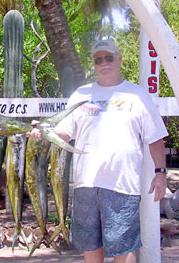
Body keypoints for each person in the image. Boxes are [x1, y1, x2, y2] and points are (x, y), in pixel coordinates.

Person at [30, 39, 168, 263]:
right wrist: (43, 131)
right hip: (85, 184)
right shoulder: (80, 95)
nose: (104, 63)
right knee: (90, 246)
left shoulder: (138, 95)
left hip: (122, 185)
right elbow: (64, 132)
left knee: (124, 248)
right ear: (93, 63)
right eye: (98, 59)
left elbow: (155, 139)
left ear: (119, 59)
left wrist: (160, 173)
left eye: (109, 57)